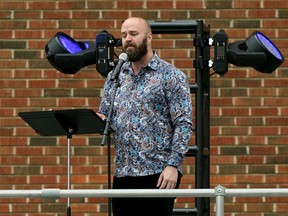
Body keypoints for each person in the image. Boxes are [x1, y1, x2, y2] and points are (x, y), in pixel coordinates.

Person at [97, 17, 193, 216]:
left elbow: (183, 123)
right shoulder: (116, 76)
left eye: (133, 34)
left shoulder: (171, 76)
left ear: (149, 37)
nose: (127, 39)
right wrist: (67, 123)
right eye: (123, 35)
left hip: (158, 173)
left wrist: (173, 166)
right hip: (123, 172)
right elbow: (104, 116)